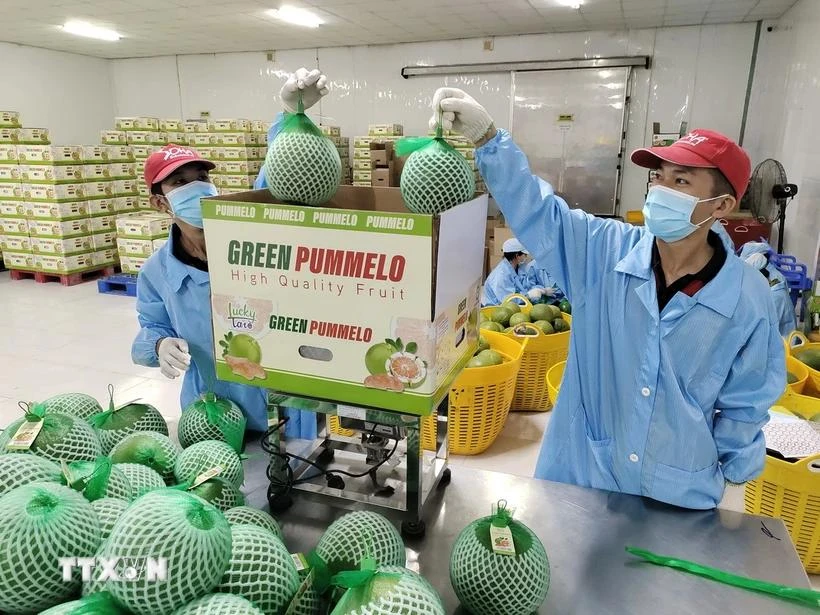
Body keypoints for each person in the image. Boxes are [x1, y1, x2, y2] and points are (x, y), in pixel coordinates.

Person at [430, 87, 785, 510]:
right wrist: (489, 141)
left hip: (677, 486)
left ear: (722, 204)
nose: (659, 189)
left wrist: (734, 466)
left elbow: (748, 398)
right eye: (658, 176)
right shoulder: (603, 253)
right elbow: (541, 213)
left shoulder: (747, 298)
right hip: (582, 470)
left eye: (681, 180)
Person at [132, 68, 329, 434]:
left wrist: (290, 119)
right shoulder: (158, 272)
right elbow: (149, 329)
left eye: (201, 178)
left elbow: (278, 182)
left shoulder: (250, 234)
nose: (197, 188)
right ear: (160, 203)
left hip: (282, 407)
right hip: (213, 412)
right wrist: (159, 344)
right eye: (180, 182)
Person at [739, 241, 797, 337]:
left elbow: (763, 328)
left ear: (757, 259)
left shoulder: (775, 292)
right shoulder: (768, 273)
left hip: (782, 344)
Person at [481, 238, 530, 306]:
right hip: (498, 309)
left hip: (515, 305)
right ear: (517, 256)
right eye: (525, 255)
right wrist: (528, 295)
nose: (526, 257)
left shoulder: (516, 267)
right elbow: (509, 301)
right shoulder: (501, 275)